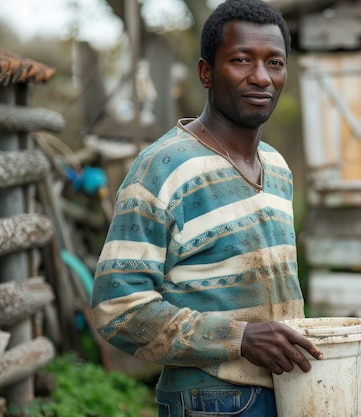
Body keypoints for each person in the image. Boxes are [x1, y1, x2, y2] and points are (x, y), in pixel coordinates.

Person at [90, 0, 323, 415]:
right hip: (210, 399)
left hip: (289, 392)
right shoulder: (164, 169)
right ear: (206, 73)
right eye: (240, 60)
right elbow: (117, 305)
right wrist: (238, 338)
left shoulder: (278, 167)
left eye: (275, 62)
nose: (261, 77)